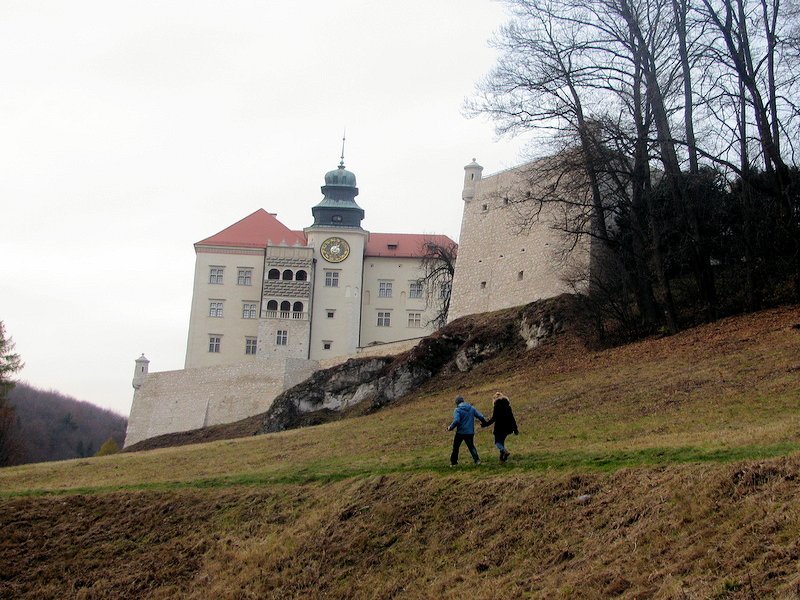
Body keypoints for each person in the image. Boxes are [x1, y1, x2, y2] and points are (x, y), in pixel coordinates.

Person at [446, 395, 487, 466]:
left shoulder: (457, 410)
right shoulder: (471, 408)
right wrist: (484, 423)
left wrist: (450, 427)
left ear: (456, 402)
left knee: (456, 447)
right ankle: (477, 461)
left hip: (460, 432)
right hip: (470, 432)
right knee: (471, 446)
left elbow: (456, 420)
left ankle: (454, 462)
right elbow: (480, 416)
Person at [482, 391, 519, 462]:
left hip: (499, 428)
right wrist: (515, 429)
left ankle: (504, 452)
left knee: (497, 443)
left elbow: (494, 418)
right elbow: (512, 417)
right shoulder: (508, 406)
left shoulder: (496, 406)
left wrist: (485, 424)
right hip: (508, 428)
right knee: (501, 442)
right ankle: (502, 459)